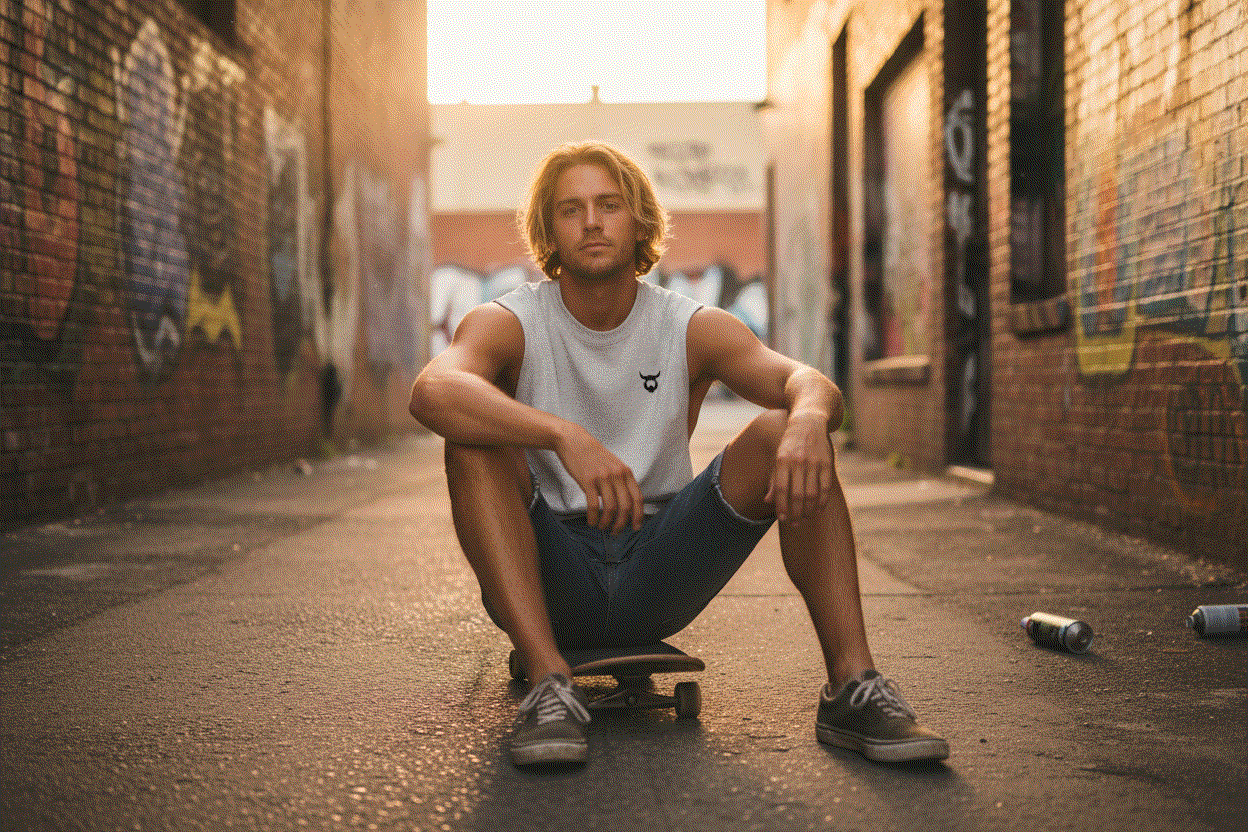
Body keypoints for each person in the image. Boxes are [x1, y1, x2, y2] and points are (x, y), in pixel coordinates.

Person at [409, 141, 948, 767]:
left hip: (661, 564)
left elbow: (804, 380)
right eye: (570, 209)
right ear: (547, 231)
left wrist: (806, 418)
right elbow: (432, 390)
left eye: (608, 205)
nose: (591, 222)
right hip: (548, 571)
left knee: (787, 432)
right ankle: (549, 683)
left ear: (639, 220)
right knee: (471, 446)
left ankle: (852, 688)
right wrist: (563, 435)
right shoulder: (510, 320)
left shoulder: (688, 324)